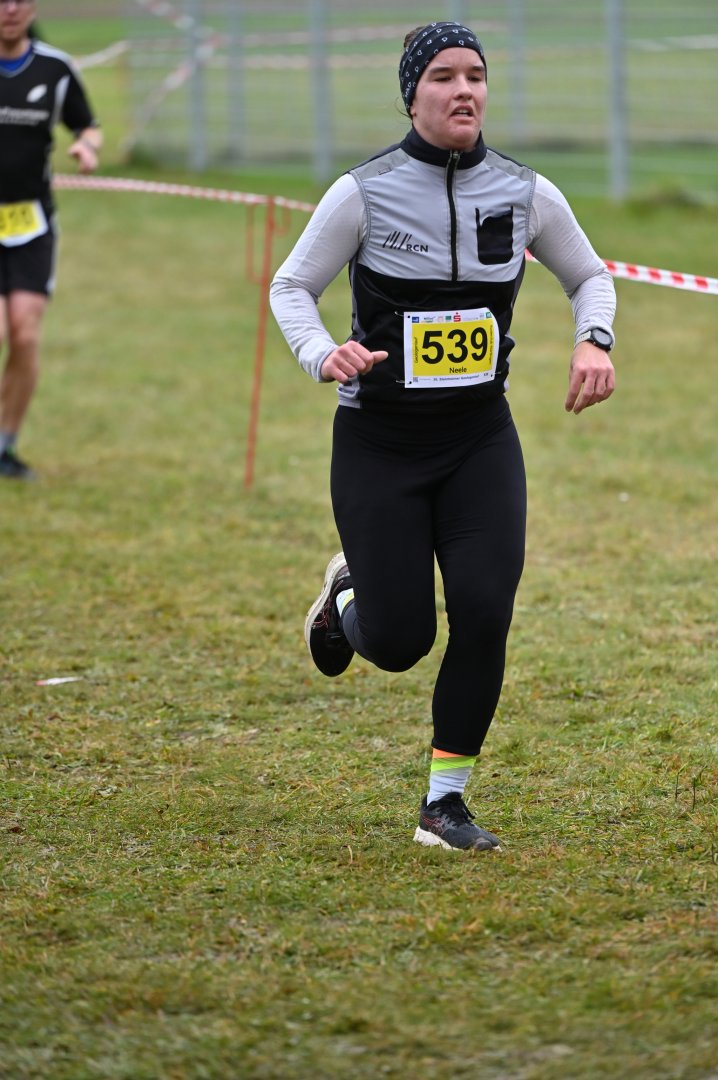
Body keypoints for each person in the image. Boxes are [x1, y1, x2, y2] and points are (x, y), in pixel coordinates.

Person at [270, 22, 616, 852]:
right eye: (444, 76)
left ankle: (444, 804)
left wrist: (593, 341)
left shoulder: (526, 191)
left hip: (478, 441)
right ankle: (346, 597)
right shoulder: (363, 191)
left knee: (486, 612)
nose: (464, 90)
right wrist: (322, 353)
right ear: (412, 94)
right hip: (379, 442)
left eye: (476, 76)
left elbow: (589, 274)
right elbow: (292, 286)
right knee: (399, 642)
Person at [0, 0, 101, 480]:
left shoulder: (55, 69)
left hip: (31, 224)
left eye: (20, 0)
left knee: (24, 332)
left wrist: (86, 146)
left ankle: (5, 446)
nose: (10, 9)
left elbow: (88, 124)